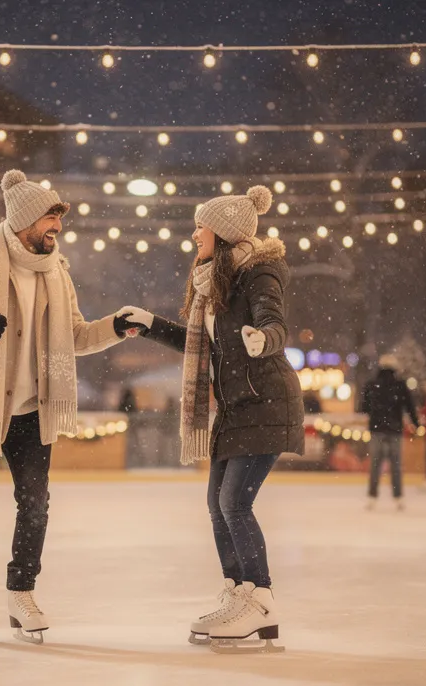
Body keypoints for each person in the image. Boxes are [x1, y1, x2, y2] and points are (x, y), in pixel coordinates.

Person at [0, 170, 134, 643]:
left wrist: (116, 326)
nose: (57, 230)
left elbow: (77, 335)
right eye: (50, 221)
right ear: (25, 220)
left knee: (36, 503)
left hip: (31, 409)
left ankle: (20, 592)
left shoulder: (56, 273)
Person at [120, 184, 302, 653]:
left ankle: (261, 600)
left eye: (201, 224)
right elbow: (205, 344)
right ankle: (238, 590)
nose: (195, 232)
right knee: (216, 503)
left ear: (222, 232)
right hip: (236, 407)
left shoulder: (259, 272)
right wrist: (152, 323)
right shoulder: (215, 283)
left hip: (266, 401)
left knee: (234, 503)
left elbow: (272, 318)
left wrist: (265, 338)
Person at [361, 355, 419, 510]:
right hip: (395, 430)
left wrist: (376, 413)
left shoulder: (372, 384)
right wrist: (416, 424)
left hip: (377, 430)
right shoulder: (400, 385)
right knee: (396, 465)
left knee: (375, 465)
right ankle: (398, 497)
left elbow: (364, 407)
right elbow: (410, 406)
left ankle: (372, 497)